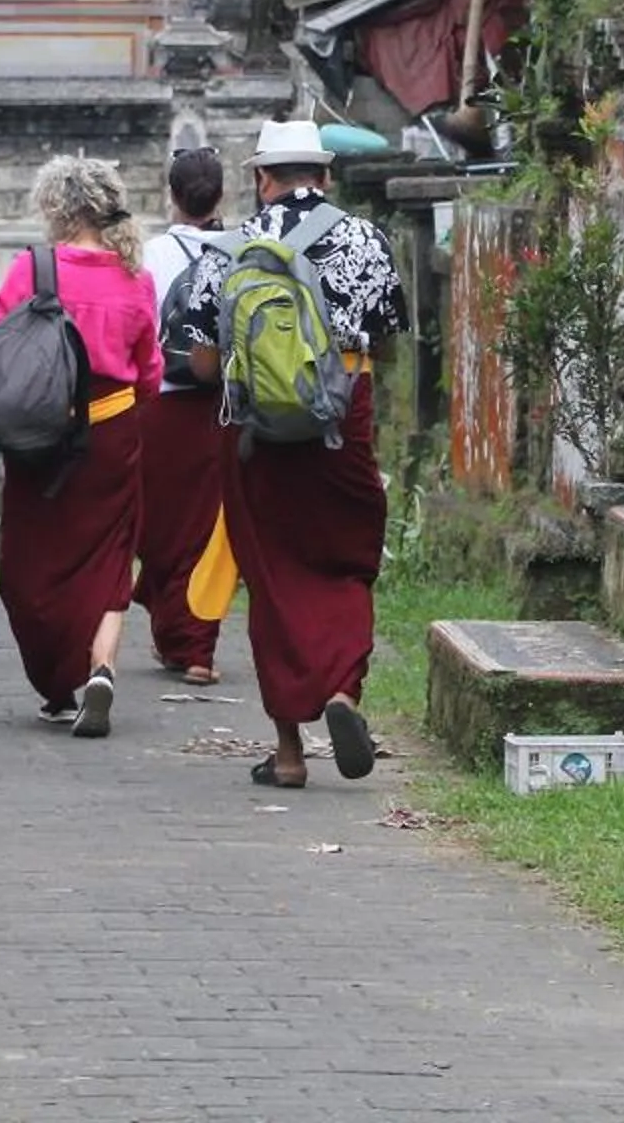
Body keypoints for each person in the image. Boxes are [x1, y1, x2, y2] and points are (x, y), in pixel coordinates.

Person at [183, 118, 408, 789]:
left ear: (260, 179)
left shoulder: (231, 247)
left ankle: (286, 754)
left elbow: (199, 363)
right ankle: (342, 694)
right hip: (342, 418)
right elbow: (387, 338)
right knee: (346, 559)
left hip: (255, 434)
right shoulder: (366, 239)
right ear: (327, 175)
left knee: (273, 580)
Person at [0, 154, 159, 738]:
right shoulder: (135, 277)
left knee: (28, 567)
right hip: (113, 431)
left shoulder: (30, 270)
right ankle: (101, 666)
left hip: (41, 438)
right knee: (111, 556)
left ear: (53, 208)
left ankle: (57, 678)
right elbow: (148, 371)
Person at [138, 146, 234, 686]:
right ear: (221, 195)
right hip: (221, 403)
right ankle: (198, 644)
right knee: (208, 530)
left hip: (162, 402)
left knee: (161, 524)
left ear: (170, 196)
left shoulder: (152, 254)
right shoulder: (244, 249)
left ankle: (176, 632)